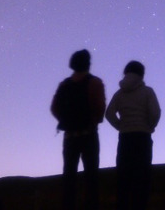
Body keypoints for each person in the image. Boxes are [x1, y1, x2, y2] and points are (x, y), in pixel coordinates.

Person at [51, 49, 106, 210]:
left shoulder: (64, 84)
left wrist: (64, 121)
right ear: (87, 63)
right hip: (89, 135)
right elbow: (100, 107)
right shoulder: (95, 82)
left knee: (69, 178)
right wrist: (94, 121)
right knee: (91, 177)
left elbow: (54, 108)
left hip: (69, 137)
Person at [105, 60, 161, 210]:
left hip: (125, 139)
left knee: (123, 180)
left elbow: (109, 113)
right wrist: (150, 125)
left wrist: (120, 126)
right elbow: (155, 113)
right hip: (143, 137)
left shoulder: (119, 93)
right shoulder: (148, 91)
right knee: (142, 180)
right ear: (142, 74)